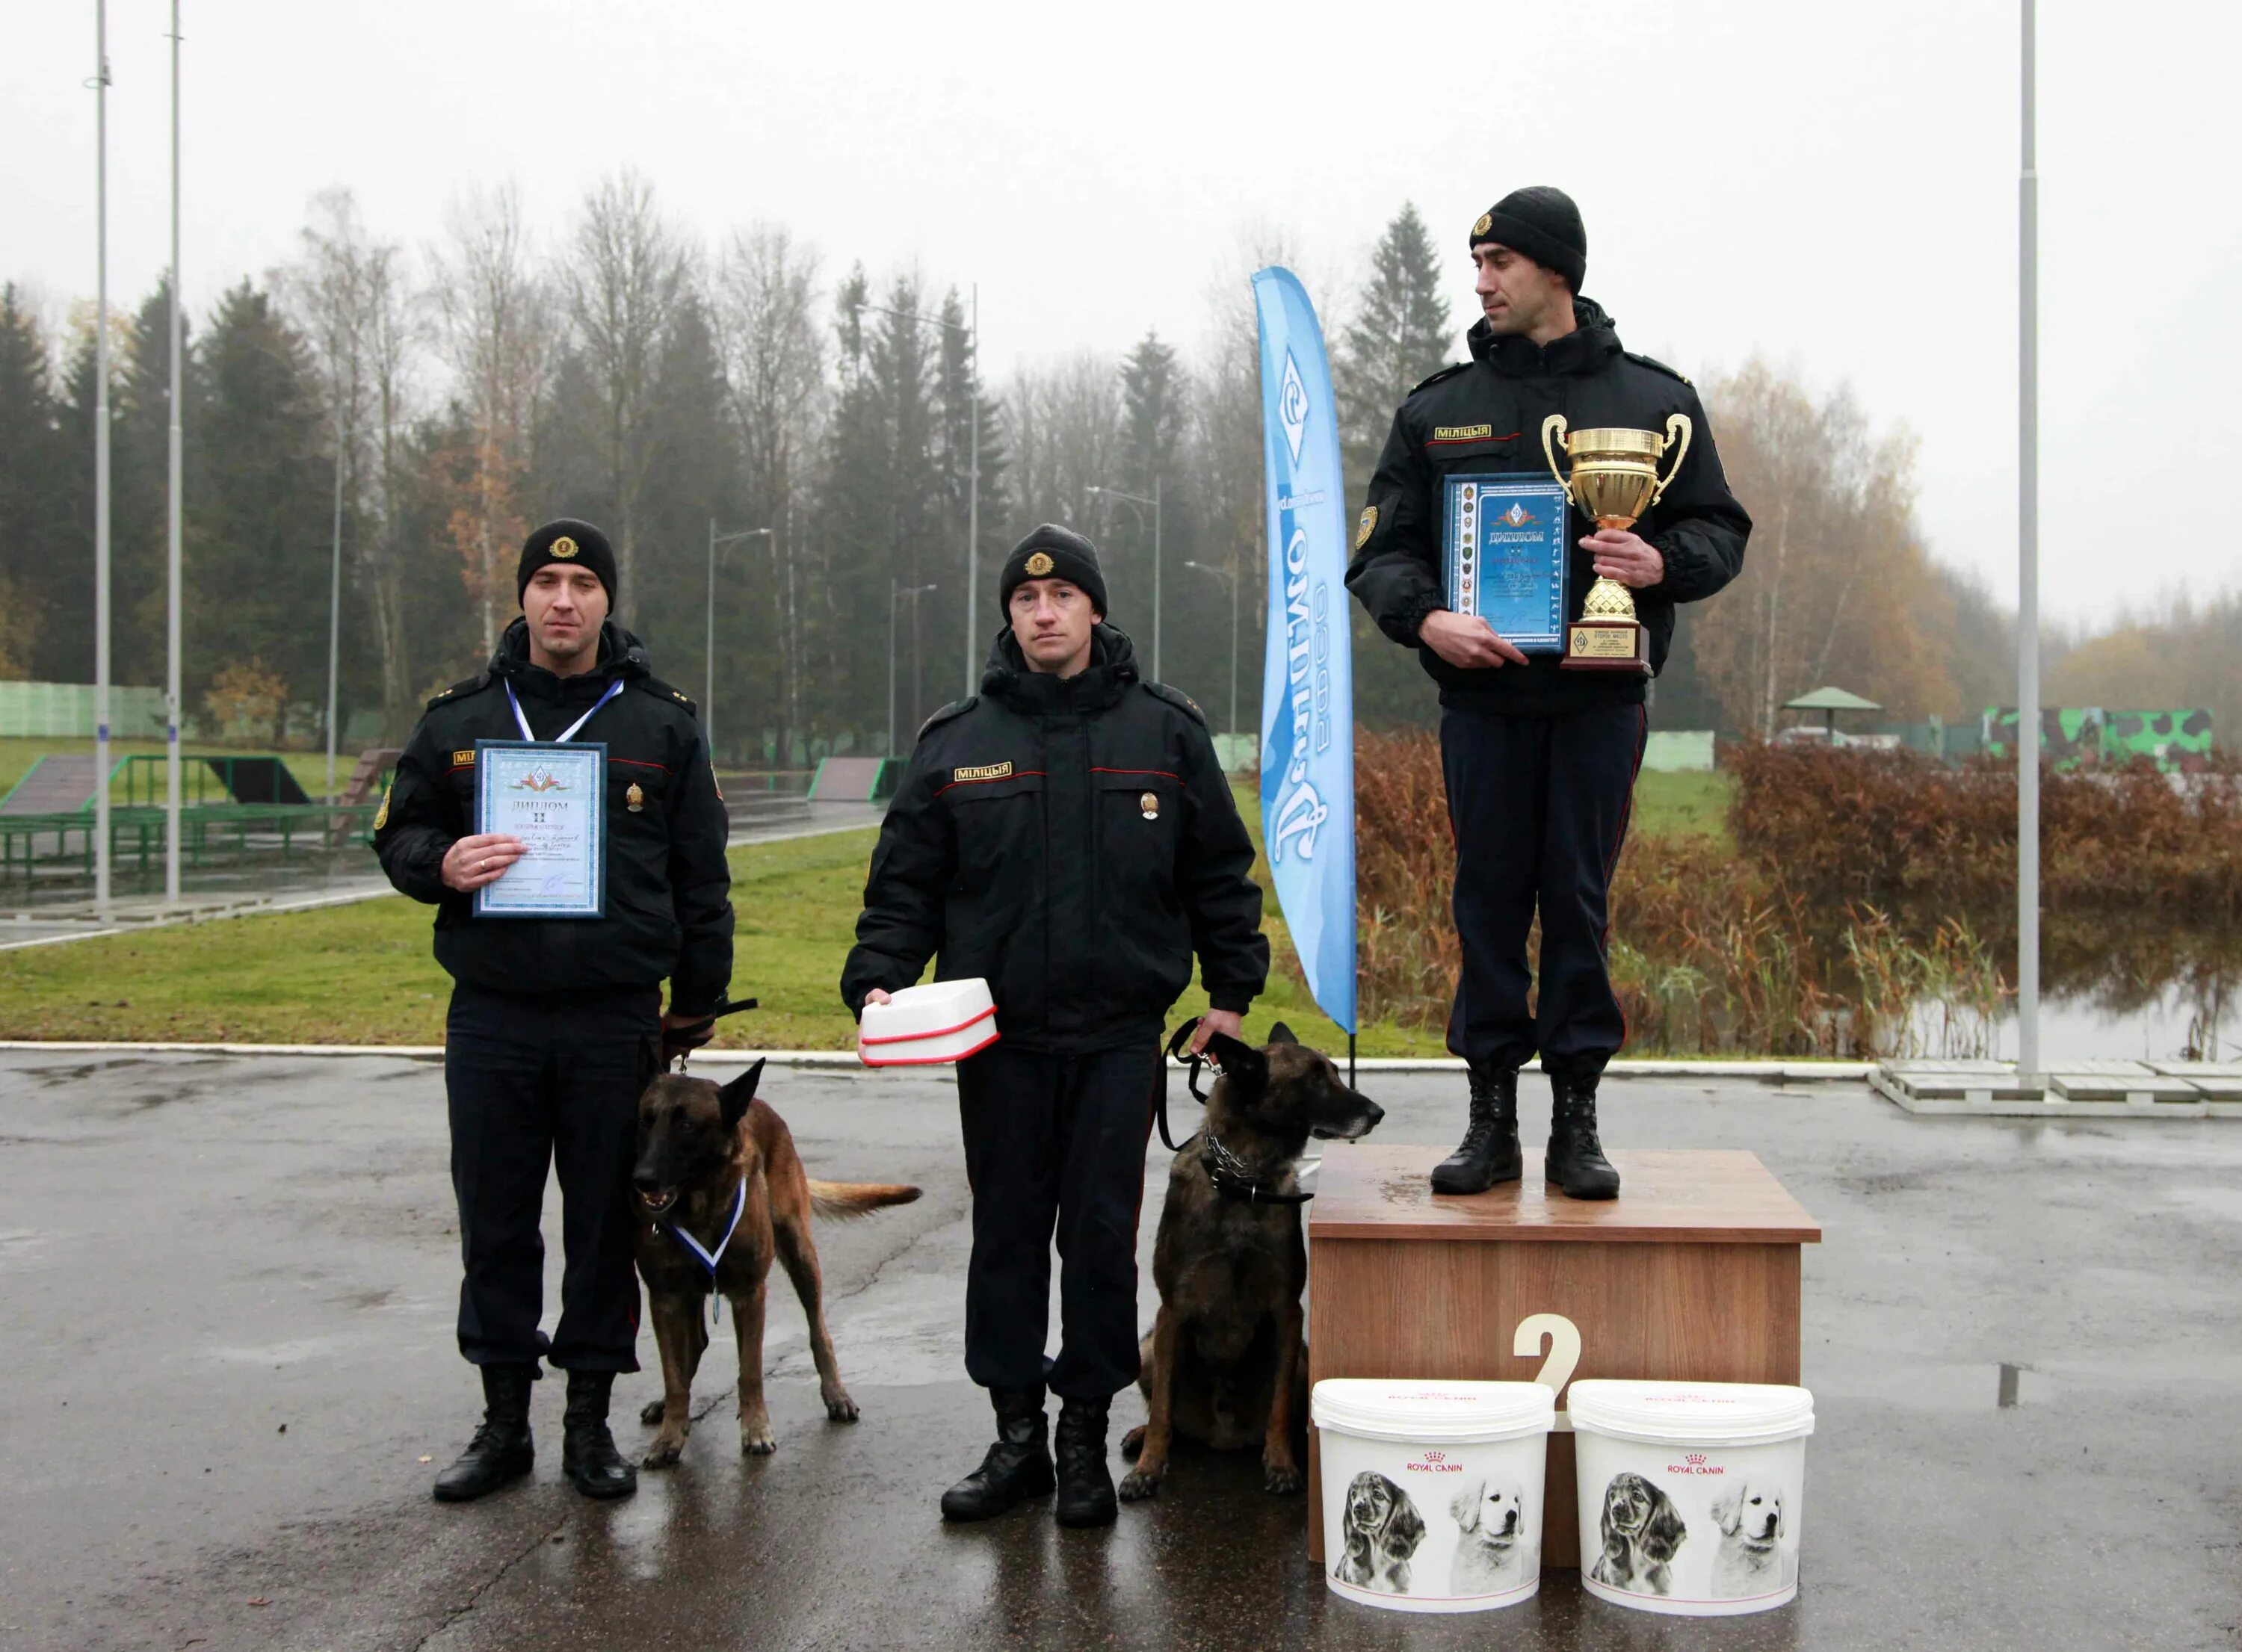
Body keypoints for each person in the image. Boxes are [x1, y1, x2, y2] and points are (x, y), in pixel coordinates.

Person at [841, 524, 1268, 1529]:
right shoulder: (960, 741)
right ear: (1009, 616)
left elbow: (1218, 875)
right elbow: (905, 884)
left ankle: (1083, 1440)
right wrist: (877, 981)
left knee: (1099, 1241)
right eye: (1026, 602)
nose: (1044, 614)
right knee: (1007, 1240)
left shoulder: (1165, 734)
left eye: (1063, 598)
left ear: (1093, 610)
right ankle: (1016, 1440)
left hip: (1118, 1037)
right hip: (1001, 1043)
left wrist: (1231, 993)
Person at [1345, 186, 1750, 1201]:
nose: (1480, 283)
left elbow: (1722, 530)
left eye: (1500, 265)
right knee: (1485, 900)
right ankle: (1491, 1120)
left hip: (1598, 705)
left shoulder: (1653, 402)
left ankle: (1576, 1119)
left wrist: (1657, 562)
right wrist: (1429, 618)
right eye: (1476, 265)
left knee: (1577, 900)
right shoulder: (1435, 411)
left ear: (1555, 273)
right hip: (1482, 708)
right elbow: (1381, 551)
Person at [374, 518, 734, 1503]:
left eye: (582, 582)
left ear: (607, 600)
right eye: (546, 581)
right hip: (493, 1013)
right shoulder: (458, 719)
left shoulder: (661, 725)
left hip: (615, 1018)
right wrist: (438, 866)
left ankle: (587, 1422)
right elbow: (400, 829)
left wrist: (694, 1008)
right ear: (523, 597)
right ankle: (502, 1423)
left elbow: (703, 876)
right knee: (494, 1220)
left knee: (605, 1224)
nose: (563, 600)